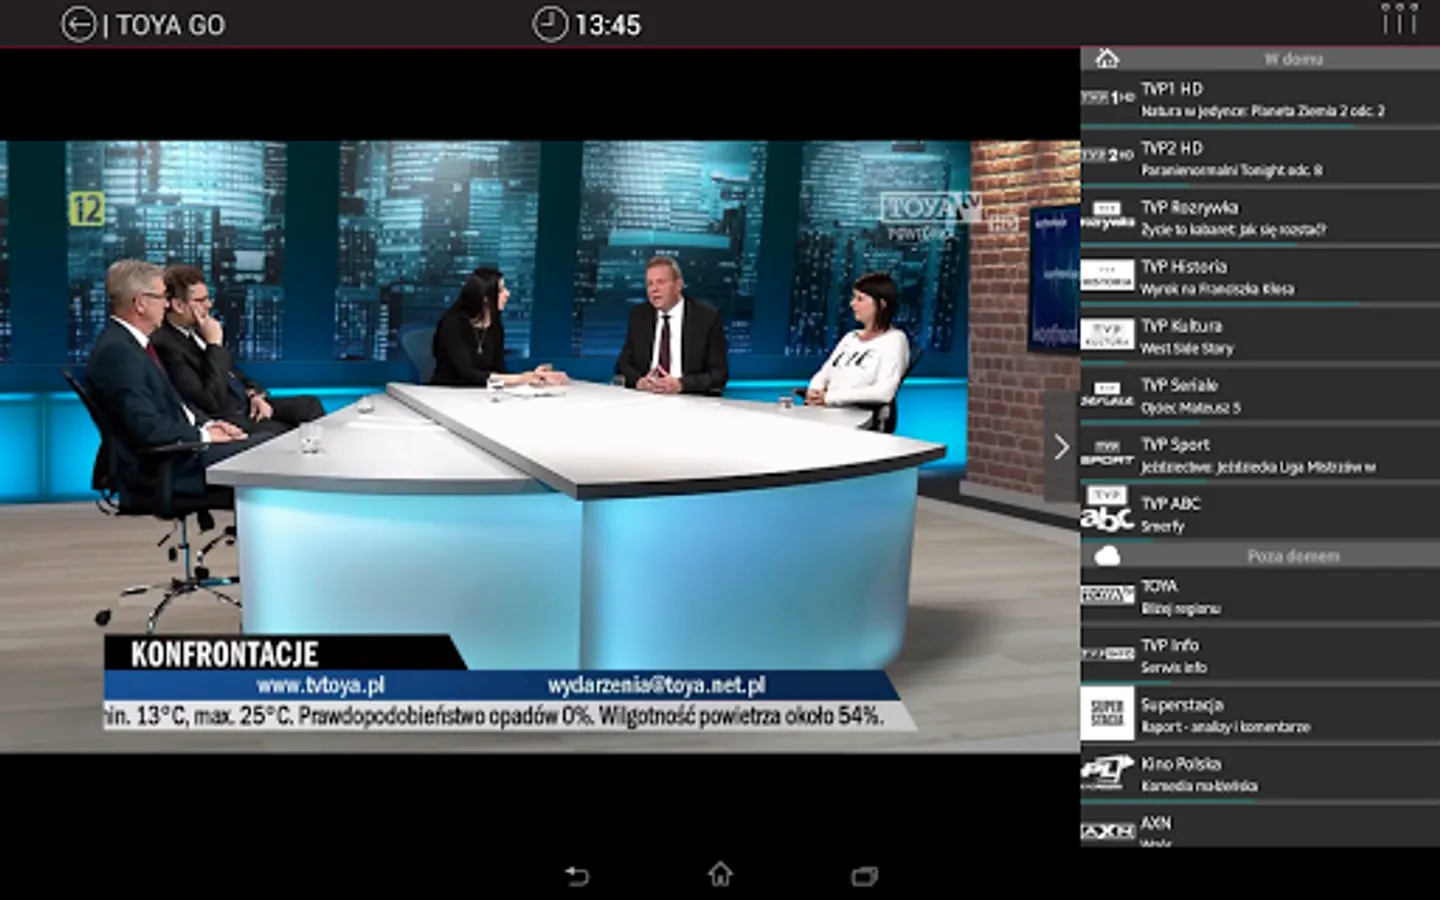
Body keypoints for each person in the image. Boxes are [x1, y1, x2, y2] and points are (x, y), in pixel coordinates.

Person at [83, 259, 253, 498]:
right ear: (141, 303)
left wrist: (209, 425)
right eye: (162, 296)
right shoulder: (118, 352)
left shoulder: (134, 345)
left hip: (180, 452)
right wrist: (204, 436)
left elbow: (173, 404)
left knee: (267, 444)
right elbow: (147, 428)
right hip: (167, 466)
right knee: (265, 451)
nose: (166, 304)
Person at [152, 265, 324, 436]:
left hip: (246, 403)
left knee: (309, 405)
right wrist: (215, 345)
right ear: (178, 305)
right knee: (281, 431)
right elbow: (210, 399)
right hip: (227, 416)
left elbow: (234, 373)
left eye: (208, 298)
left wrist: (255, 395)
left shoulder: (198, 330)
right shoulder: (167, 345)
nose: (209, 305)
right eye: (200, 300)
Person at [431, 266, 568, 387]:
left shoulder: (495, 325)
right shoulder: (452, 324)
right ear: (485, 298)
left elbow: (499, 371)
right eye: (501, 290)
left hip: (481, 394)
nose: (507, 294)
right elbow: (467, 373)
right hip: (447, 393)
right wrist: (521, 378)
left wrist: (533, 377)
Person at [613, 256, 728, 395]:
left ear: (678, 285)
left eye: (660, 282)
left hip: (690, 397)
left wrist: (681, 384)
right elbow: (623, 364)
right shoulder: (639, 315)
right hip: (647, 396)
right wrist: (639, 381)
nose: (654, 289)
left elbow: (719, 375)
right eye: (650, 284)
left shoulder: (706, 317)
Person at [805, 272, 911, 420]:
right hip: (826, 411)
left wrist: (829, 398)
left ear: (881, 305)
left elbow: (884, 392)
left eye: (860, 299)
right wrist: (814, 390)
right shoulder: (850, 338)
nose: (852, 304)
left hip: (856, 417)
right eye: (853, 298)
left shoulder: (895, 340)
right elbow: (824, 373)